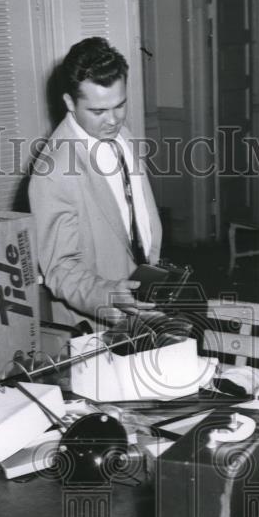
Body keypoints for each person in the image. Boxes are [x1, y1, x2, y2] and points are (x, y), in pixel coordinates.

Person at [29, 37, 162, 326]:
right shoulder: (54, 170)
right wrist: (107, 295)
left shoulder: (120, 133)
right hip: (96, 323)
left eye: (120, 105)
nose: (113, 120)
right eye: (98, 111)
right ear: (69, 103)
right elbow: (59, 268)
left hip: (141, 304)